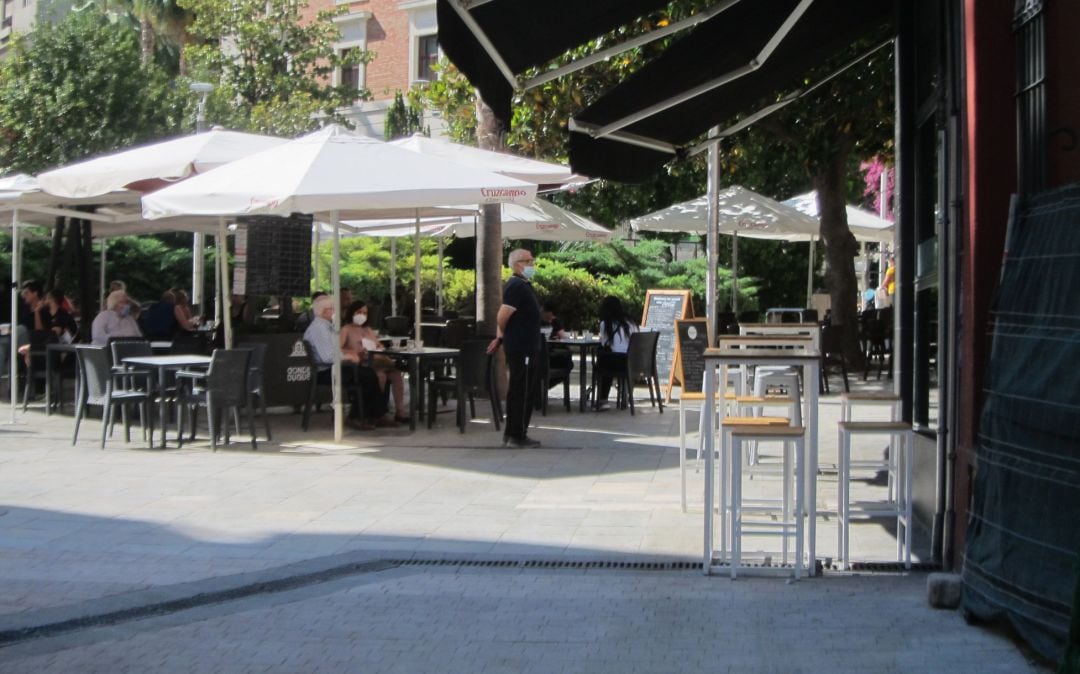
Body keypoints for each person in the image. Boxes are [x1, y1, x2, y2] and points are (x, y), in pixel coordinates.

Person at [303, 294, 391, 430]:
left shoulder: (325, 326)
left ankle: (374, 414)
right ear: (325, 311)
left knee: (370, 373)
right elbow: (327, 357)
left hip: (332, 368)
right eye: (333, 309)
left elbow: (333, 351)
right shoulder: (319, 328)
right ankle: (356, 417)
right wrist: (348, 357)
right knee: (368, 375)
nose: (336, 312)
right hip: (326, 372)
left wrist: (347, 354)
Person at [488, 248, 542, 448]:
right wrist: (502, 335)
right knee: (522, 390)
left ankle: (513, 432)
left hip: (525, 345)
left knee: (521, 389)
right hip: (522, 347)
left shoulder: (522, 285)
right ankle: (517, 434)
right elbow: (503, 315)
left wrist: (500, 337)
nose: (532, 264)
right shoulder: (516, 286)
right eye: (529, 261)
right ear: (518, 264)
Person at [341, 300, 409, 423]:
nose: (362, 315)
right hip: (362, 364)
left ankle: (400, 411)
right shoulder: (346, 329)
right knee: (380, 376)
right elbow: (339, 348)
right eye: (359, 312)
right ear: (352, 313)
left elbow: (379, 345)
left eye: (365, 313)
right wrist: (355, 352)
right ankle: (378, 412)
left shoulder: (367, 329)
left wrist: (377, 347)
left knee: (396, 375)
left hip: (377, 360)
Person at [595, 295, 638, 411]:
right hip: (633, 362)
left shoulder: (606, 324)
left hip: (616, 362)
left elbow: (605, 344)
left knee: (603, 361)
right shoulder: (631, 322)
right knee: (607, 359)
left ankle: (603, 399)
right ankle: (626, 394)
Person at [541, 302, 573, 373]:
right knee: (567, 360)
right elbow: (563, 336)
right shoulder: (538, 320)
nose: (552, 318)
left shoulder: (553, 321)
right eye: (552, 315)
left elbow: (562, 336)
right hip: (544, 355)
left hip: (544, 353)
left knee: (567, 358)